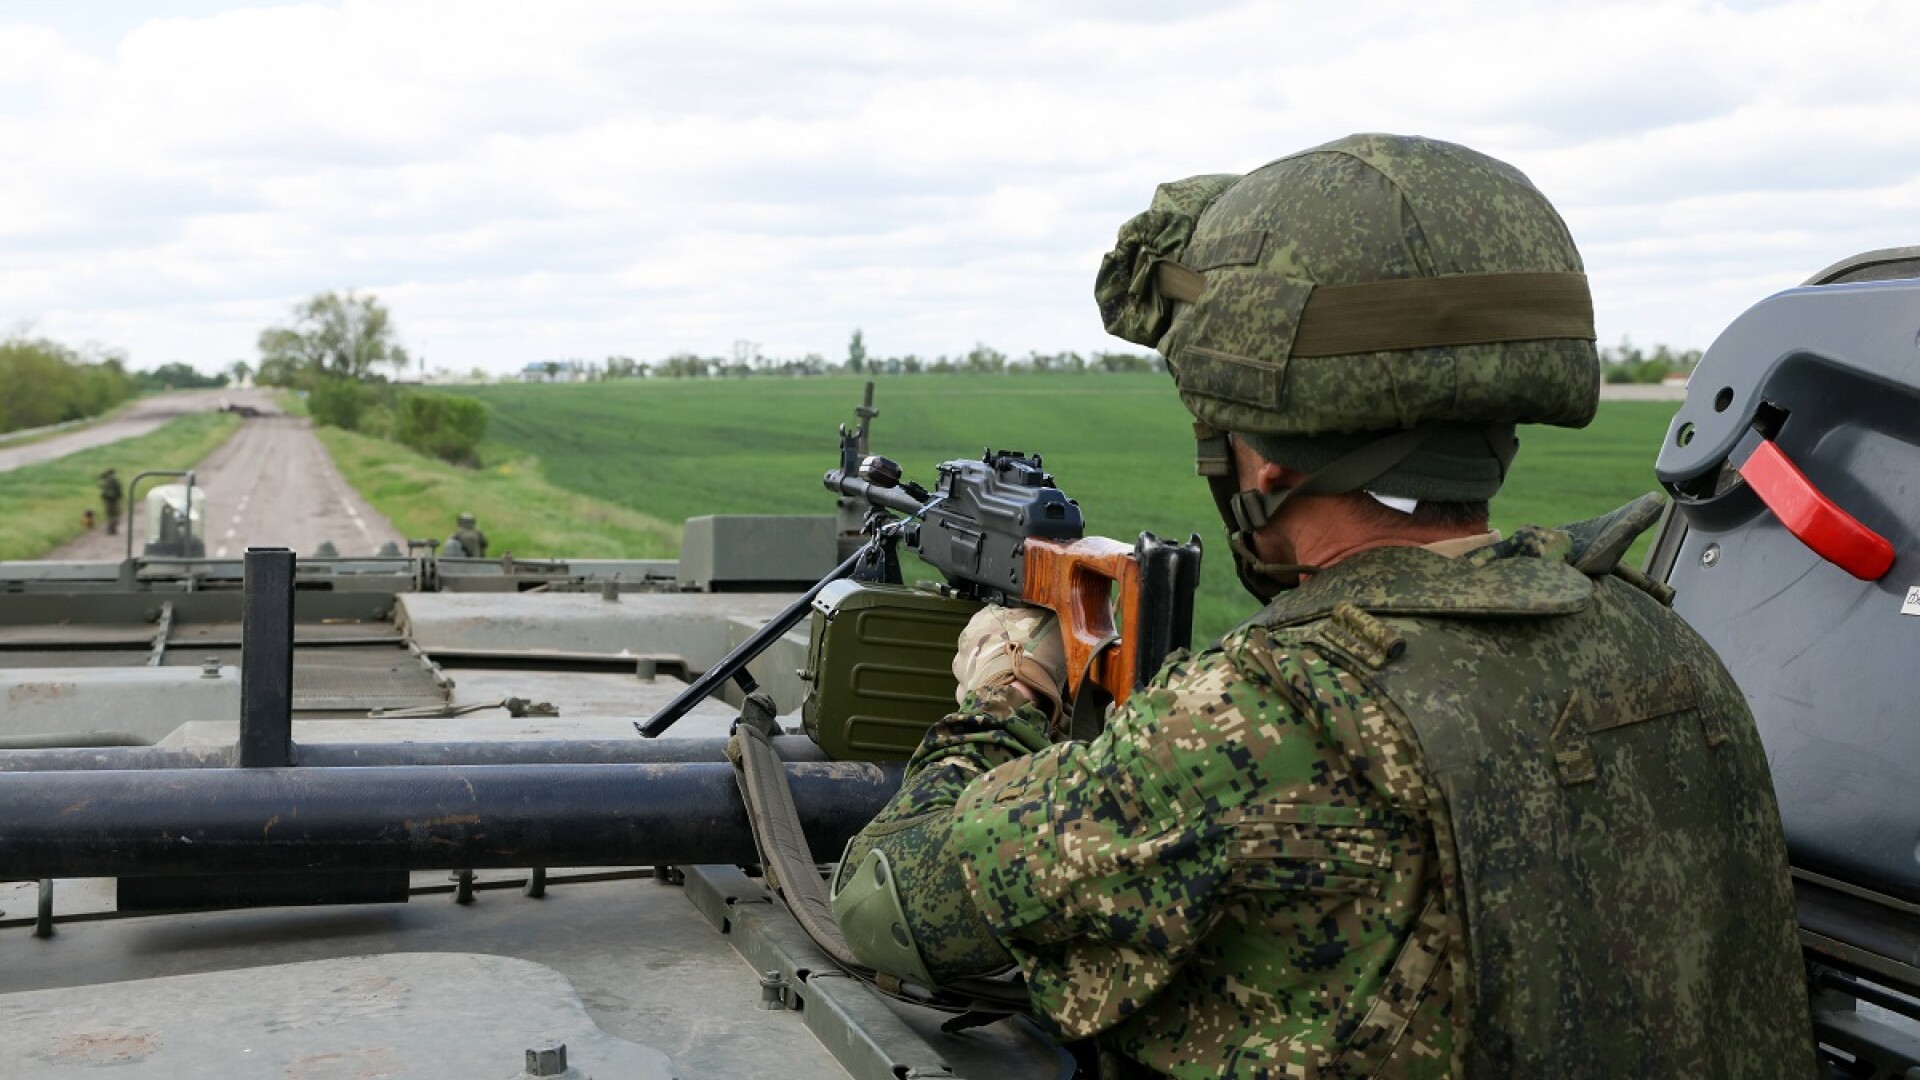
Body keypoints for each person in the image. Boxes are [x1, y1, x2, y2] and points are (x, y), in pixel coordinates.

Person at [830, 134, 1814, 1078]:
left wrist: (1007, 695)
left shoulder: (1273, 719)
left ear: (1265, 456)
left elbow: (891, 903)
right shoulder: (1661, 645)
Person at [99, 468, 122, 535]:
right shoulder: (114, 481)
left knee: (110, 515)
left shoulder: (105, 482)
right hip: (114, 500)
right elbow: (119, 491)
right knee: (115, 515)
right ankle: (112, 529)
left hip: (107, 501)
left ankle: (111, 529)